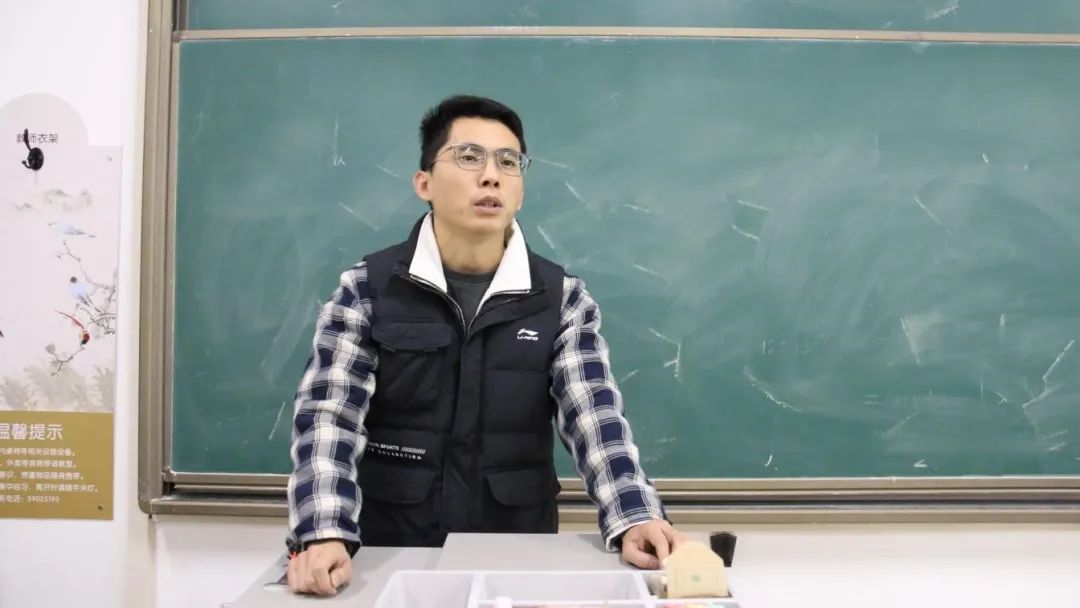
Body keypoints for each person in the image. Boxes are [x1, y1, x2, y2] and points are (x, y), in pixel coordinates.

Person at [285, 95, 683, 596]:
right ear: (424, 183)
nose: (491, 176)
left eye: (508, 162)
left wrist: (635, 515)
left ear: (520, 190)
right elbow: (330, 416)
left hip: (516, 558)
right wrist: (322, 531)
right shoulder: (368, 288)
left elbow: (595, 416)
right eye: (469, 157)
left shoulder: (560, 298)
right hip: (390, 557)